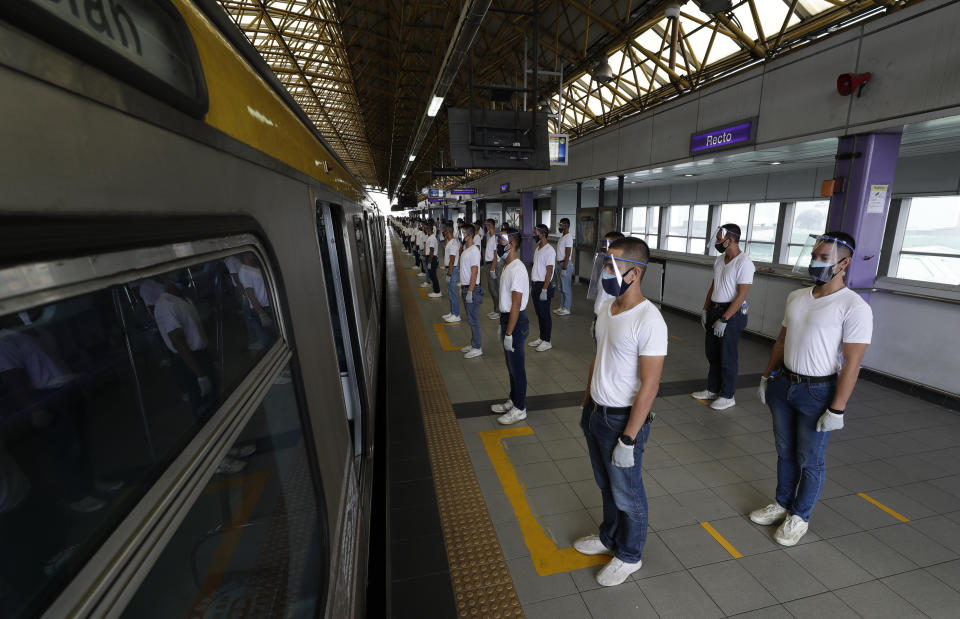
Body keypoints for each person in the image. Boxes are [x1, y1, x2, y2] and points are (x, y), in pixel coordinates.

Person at [749, 232, 872, 547]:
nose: (815, 262)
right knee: (785, 451)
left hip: (817, 393)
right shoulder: (797, 296)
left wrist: (837, 408)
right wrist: (766, 376)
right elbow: (781, 339)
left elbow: (853, 362)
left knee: (810, 458)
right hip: (783, 384)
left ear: (844, 263)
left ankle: (799, 516)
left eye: (823, 258)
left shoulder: (853, 307)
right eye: (814, 255)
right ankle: (782, 502)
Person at [573, 237, 667, 586]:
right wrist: (587, 402)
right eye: (605, 264)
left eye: (612, 266)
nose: (605, 273)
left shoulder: (649, 320)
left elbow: (650, 385)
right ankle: (609, 537)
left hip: (621, 421)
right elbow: (599, 358)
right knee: (605, 485)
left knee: (628, 493)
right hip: (596, 413)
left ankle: (629, 554)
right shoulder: (606, 309)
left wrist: (628, 438)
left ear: (635, 273)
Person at [691, 225, 755, 411]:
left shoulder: (744, 263)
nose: (717, 242)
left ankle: (728, 395)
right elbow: (714, 286)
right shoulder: (720, 260)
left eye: (720, 239)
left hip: (731, 314)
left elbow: (741, 295)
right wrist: (705, 309)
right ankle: (712, 388)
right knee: (713, 353)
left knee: (728, 356)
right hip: (715, 309)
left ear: (731, 240)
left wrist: (725, 319)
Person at [489, 228, 530, 425]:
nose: (498, 246)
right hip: (508, 319)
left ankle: (520, 408)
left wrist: (509, 332)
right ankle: (513, 400)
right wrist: (502, 324)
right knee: (511, 366)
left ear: (511, 244)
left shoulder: (518, 269)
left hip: (516, 321)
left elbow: (516, 303)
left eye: (501, 242)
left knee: (517, 368)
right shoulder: (507, 265)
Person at [590, 231, 624, 342]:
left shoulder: (621, 275)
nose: (603, 249)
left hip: (610, 320)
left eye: (606, 247)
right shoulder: (606, 269)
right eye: (603, 246)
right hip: (600, 315)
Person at [238, 254, 276, 349]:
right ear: (245, 255)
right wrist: (261, 313)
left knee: (275, 336)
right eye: (251, 254)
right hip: (261, 309)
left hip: (269, 306)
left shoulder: (256, 267)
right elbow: (250, 294)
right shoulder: (244, 270)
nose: (254, 256)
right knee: (269, 340)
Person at [529, 224, 556, 352]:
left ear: (543, 234)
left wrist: (545, 289)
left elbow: (549, 271)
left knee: (545, 315)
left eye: (536, 232)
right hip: (536, 285)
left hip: (543, 286)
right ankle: (541, 337)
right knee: (539, 314)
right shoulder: (538, 248)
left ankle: (547, 340)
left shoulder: (549, 250)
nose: (534, 234)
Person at [459, 224, 484, 359]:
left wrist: (470, 291)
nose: (461, 235)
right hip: (466, 287)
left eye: (462, 233)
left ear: (469, 235)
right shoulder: (466, 249)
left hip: (472, 289)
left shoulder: (474, 250)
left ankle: (477, 347)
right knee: (470, 318)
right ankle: (474, 343)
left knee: (473, 319)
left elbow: (475, 271)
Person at [553, 218, 575, 316]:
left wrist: (565, 268)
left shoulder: (568, 237)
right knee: (561, 288)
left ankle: (567, 308)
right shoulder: (562, 237)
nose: (560, 226)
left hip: (565, 264)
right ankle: (562, 306)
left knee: (566, 288)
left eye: (561, 225)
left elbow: (568, 253)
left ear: (566, 225)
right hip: (560, 264)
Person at [441, 222, 461, 323]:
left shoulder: (453, 243)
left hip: (452, 270)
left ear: (448, 231)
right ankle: (452, 312)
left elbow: (452, 259)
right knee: (450, 293)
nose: (442, 231)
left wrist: (449, 273)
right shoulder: (450, 242)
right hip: (449, 269)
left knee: (453, 293)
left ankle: (456, 314)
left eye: (444, 230)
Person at [484, 219, 502, 321]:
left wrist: (492, 269)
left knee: (495, 289)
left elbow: (496, 255)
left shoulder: (495, 238)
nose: (486, 226)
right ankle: (495, 309)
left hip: (493, 264)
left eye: (486, 225)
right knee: (491, 289)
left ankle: (499, 311)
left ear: (489, 225)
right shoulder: (490, 237)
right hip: (489, 264)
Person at [423, 222, 441, 298]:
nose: (425, 229)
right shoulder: (429, 237)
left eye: (426, 228)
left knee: (433, 275)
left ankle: (437, 292)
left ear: (428, 229)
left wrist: (429, 262)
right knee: (432, 275)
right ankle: (436, 290)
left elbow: (432, 250)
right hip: (430, 258)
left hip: (432, 258)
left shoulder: (432, 238)